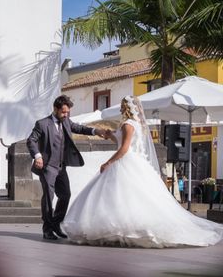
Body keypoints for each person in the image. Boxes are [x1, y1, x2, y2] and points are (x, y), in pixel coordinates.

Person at [62, 96, 223, 247]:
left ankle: (124, 230)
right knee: (131, 198)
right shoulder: (136, 125)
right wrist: (111, 135)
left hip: (125, 162)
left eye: (122, 107)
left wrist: (108, 162)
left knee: (120, 197)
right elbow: (123, 142)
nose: (120, 110)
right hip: (136, 162)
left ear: (127, 108)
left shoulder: (127, 124)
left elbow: (124, 149)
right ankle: (123, 231)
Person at [27, 95, 110, 240]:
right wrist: (38, 156)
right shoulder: (42, 124)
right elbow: (31, 140)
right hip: (47, 167)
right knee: (48, 197)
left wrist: (96, 131)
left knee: (65, 195)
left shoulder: (66, 122)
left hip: (61, 167)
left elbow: (79, 128)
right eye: (63, 112)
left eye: (67, 112)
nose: (66, 115)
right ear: (55, 109)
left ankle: (56, 224)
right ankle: (47, 229)